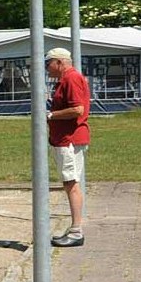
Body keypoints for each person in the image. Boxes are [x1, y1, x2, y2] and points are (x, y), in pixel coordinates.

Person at [44, 46, 91, 248]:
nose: (46, 68)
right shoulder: (66, 80)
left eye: (48, 64)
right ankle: (74, 229)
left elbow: (77, 109)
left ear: (60, 62)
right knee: (69, 182)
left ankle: (76, 231)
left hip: (69, 139)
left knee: (71, 183)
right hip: (64, 138)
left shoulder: (71, 78)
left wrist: (51, 115)